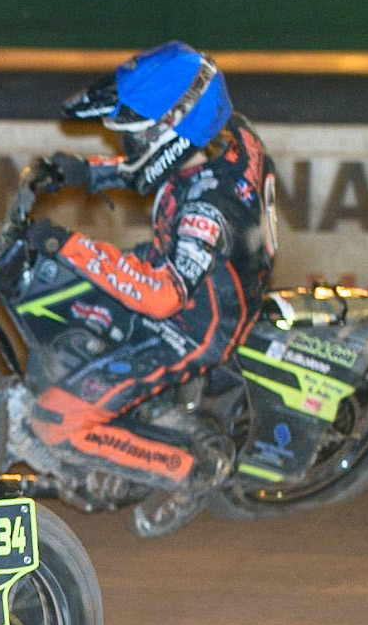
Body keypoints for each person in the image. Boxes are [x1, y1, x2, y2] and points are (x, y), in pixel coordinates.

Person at [20, 40, 279, 537]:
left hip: (194, 323)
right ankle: (135, 412)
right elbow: (162, 167)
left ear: (175, 129)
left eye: (137, 136)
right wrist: (89, 173)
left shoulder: (208, 210)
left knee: (53, 420)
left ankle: (192, 469)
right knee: (68, 298)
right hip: (187, 268)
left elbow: (162, 297)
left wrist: (70, 244)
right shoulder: (228, 133)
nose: (129, 145)